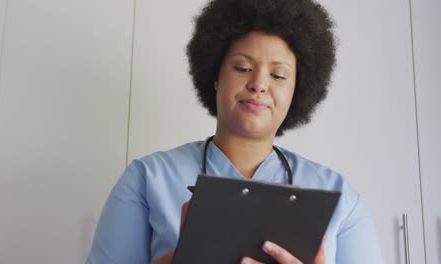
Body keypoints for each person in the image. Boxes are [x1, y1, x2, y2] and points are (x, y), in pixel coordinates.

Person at [86, 0, 384, 263]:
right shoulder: (147, 179)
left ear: (298, 91)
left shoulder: (340, 198)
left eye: (278, 75)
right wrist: (185, 257)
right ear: (215, 76)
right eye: (242, 68)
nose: (258, 84)